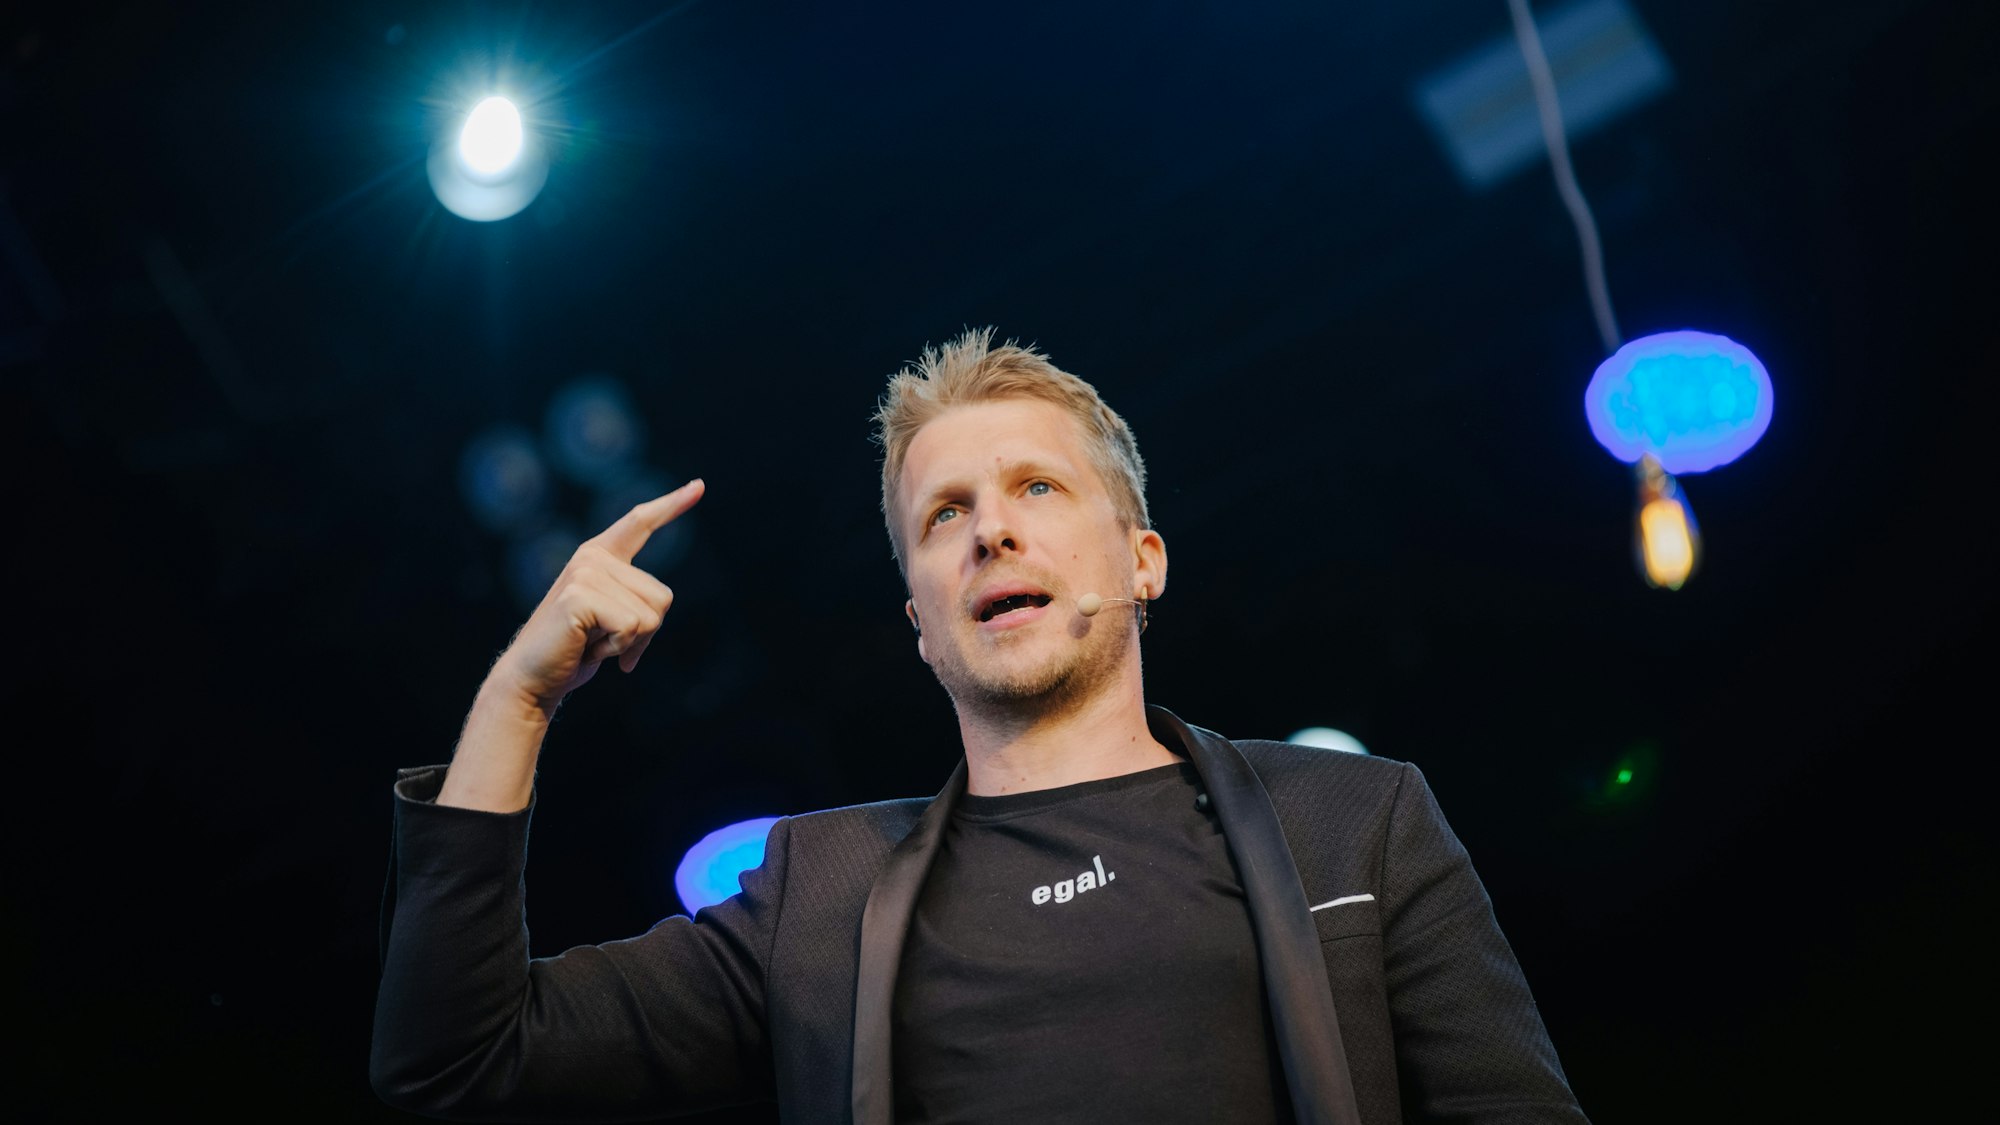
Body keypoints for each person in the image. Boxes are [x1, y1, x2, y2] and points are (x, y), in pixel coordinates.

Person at [371, 328, 1589, 1124]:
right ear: (919, 620)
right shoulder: (818, 894)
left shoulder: (1353, 824)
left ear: (1142, 559)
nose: (990, 531)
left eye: (1035, 489)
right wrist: (517, 699)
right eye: (944, 513)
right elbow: (450, 1069)